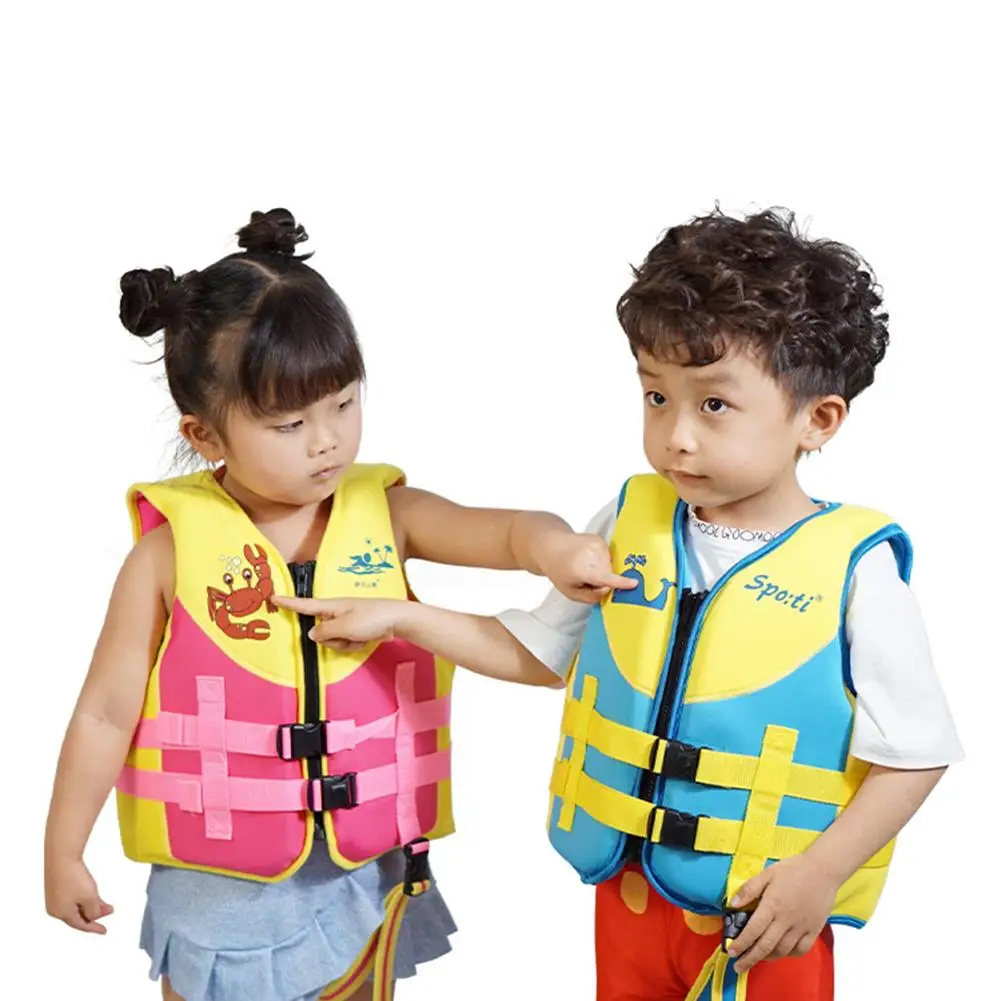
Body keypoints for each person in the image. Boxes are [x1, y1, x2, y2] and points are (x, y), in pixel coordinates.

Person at [280, 208, 964, 1000]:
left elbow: (915, 751)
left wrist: (821, 872)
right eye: (655, 396)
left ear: (818, 419)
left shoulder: (855, 569)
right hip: (627, 895)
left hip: (763, 913)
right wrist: (401, 616)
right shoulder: (631, 519)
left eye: (713, 405)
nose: (676, 435)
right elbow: (540, 654)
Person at [42, 208, 629, 1001]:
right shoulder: (167, 555)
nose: (326, 440)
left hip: (363, 866)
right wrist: (63, 848)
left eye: (343, 404)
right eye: (290, 422)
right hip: (219, 884)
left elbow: (504, 532)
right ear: (204, 435)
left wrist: (556, 548)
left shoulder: (387, 514)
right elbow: (104, 713)